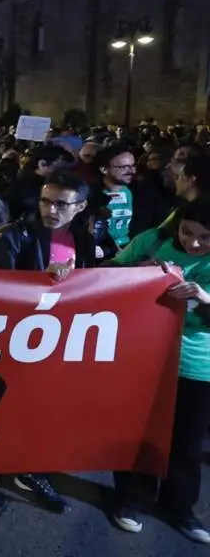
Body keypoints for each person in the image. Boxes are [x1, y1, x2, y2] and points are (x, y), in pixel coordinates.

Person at [0, 170, 93, 516]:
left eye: (61, 204)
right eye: (45, 201)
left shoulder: (83, 240)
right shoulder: (13, 236)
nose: (51, 209)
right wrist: (43, 283)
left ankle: (30, 469)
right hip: (13, 341)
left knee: (39, 412)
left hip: (59, 341)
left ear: (80, 206)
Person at [106, 199, 210, 543]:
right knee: (139, 434)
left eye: (205, 238)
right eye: (187, 232)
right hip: (147, 357)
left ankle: (180, 508)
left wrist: (205, 299)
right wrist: (139, 273)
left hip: (199, 367)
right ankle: (131, 499)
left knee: (187, 443)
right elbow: (106, 276)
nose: (193, 244)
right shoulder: (155, 241)